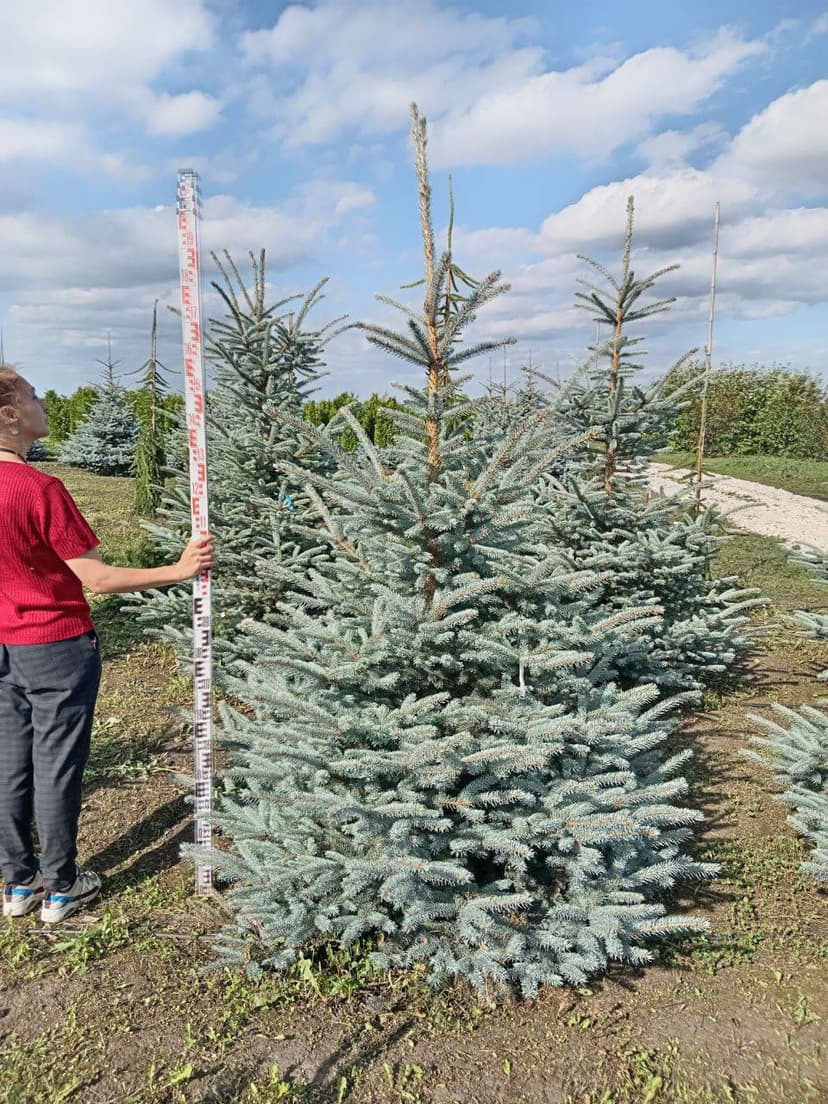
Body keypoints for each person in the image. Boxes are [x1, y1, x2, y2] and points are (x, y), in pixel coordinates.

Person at [0, 365, 214, 924]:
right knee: (56, 764)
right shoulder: (40, 489)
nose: (43, 400)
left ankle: (18, 883)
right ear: (10, 416)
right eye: (33, 394)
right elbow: (95, 578)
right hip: (54, 645)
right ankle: (62, 886)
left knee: (8, 762)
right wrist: (179, 568)